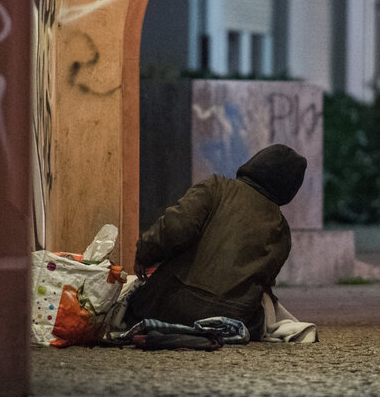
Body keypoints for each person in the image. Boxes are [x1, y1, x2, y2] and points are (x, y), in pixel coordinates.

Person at [124, 144, 307, 339]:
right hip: (230, 319)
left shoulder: (216, 188)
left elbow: (175, 228)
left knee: (130, 301)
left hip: (168, 306)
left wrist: (145, 252)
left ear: (254, 164)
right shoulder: (282, 230)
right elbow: (263, 285)